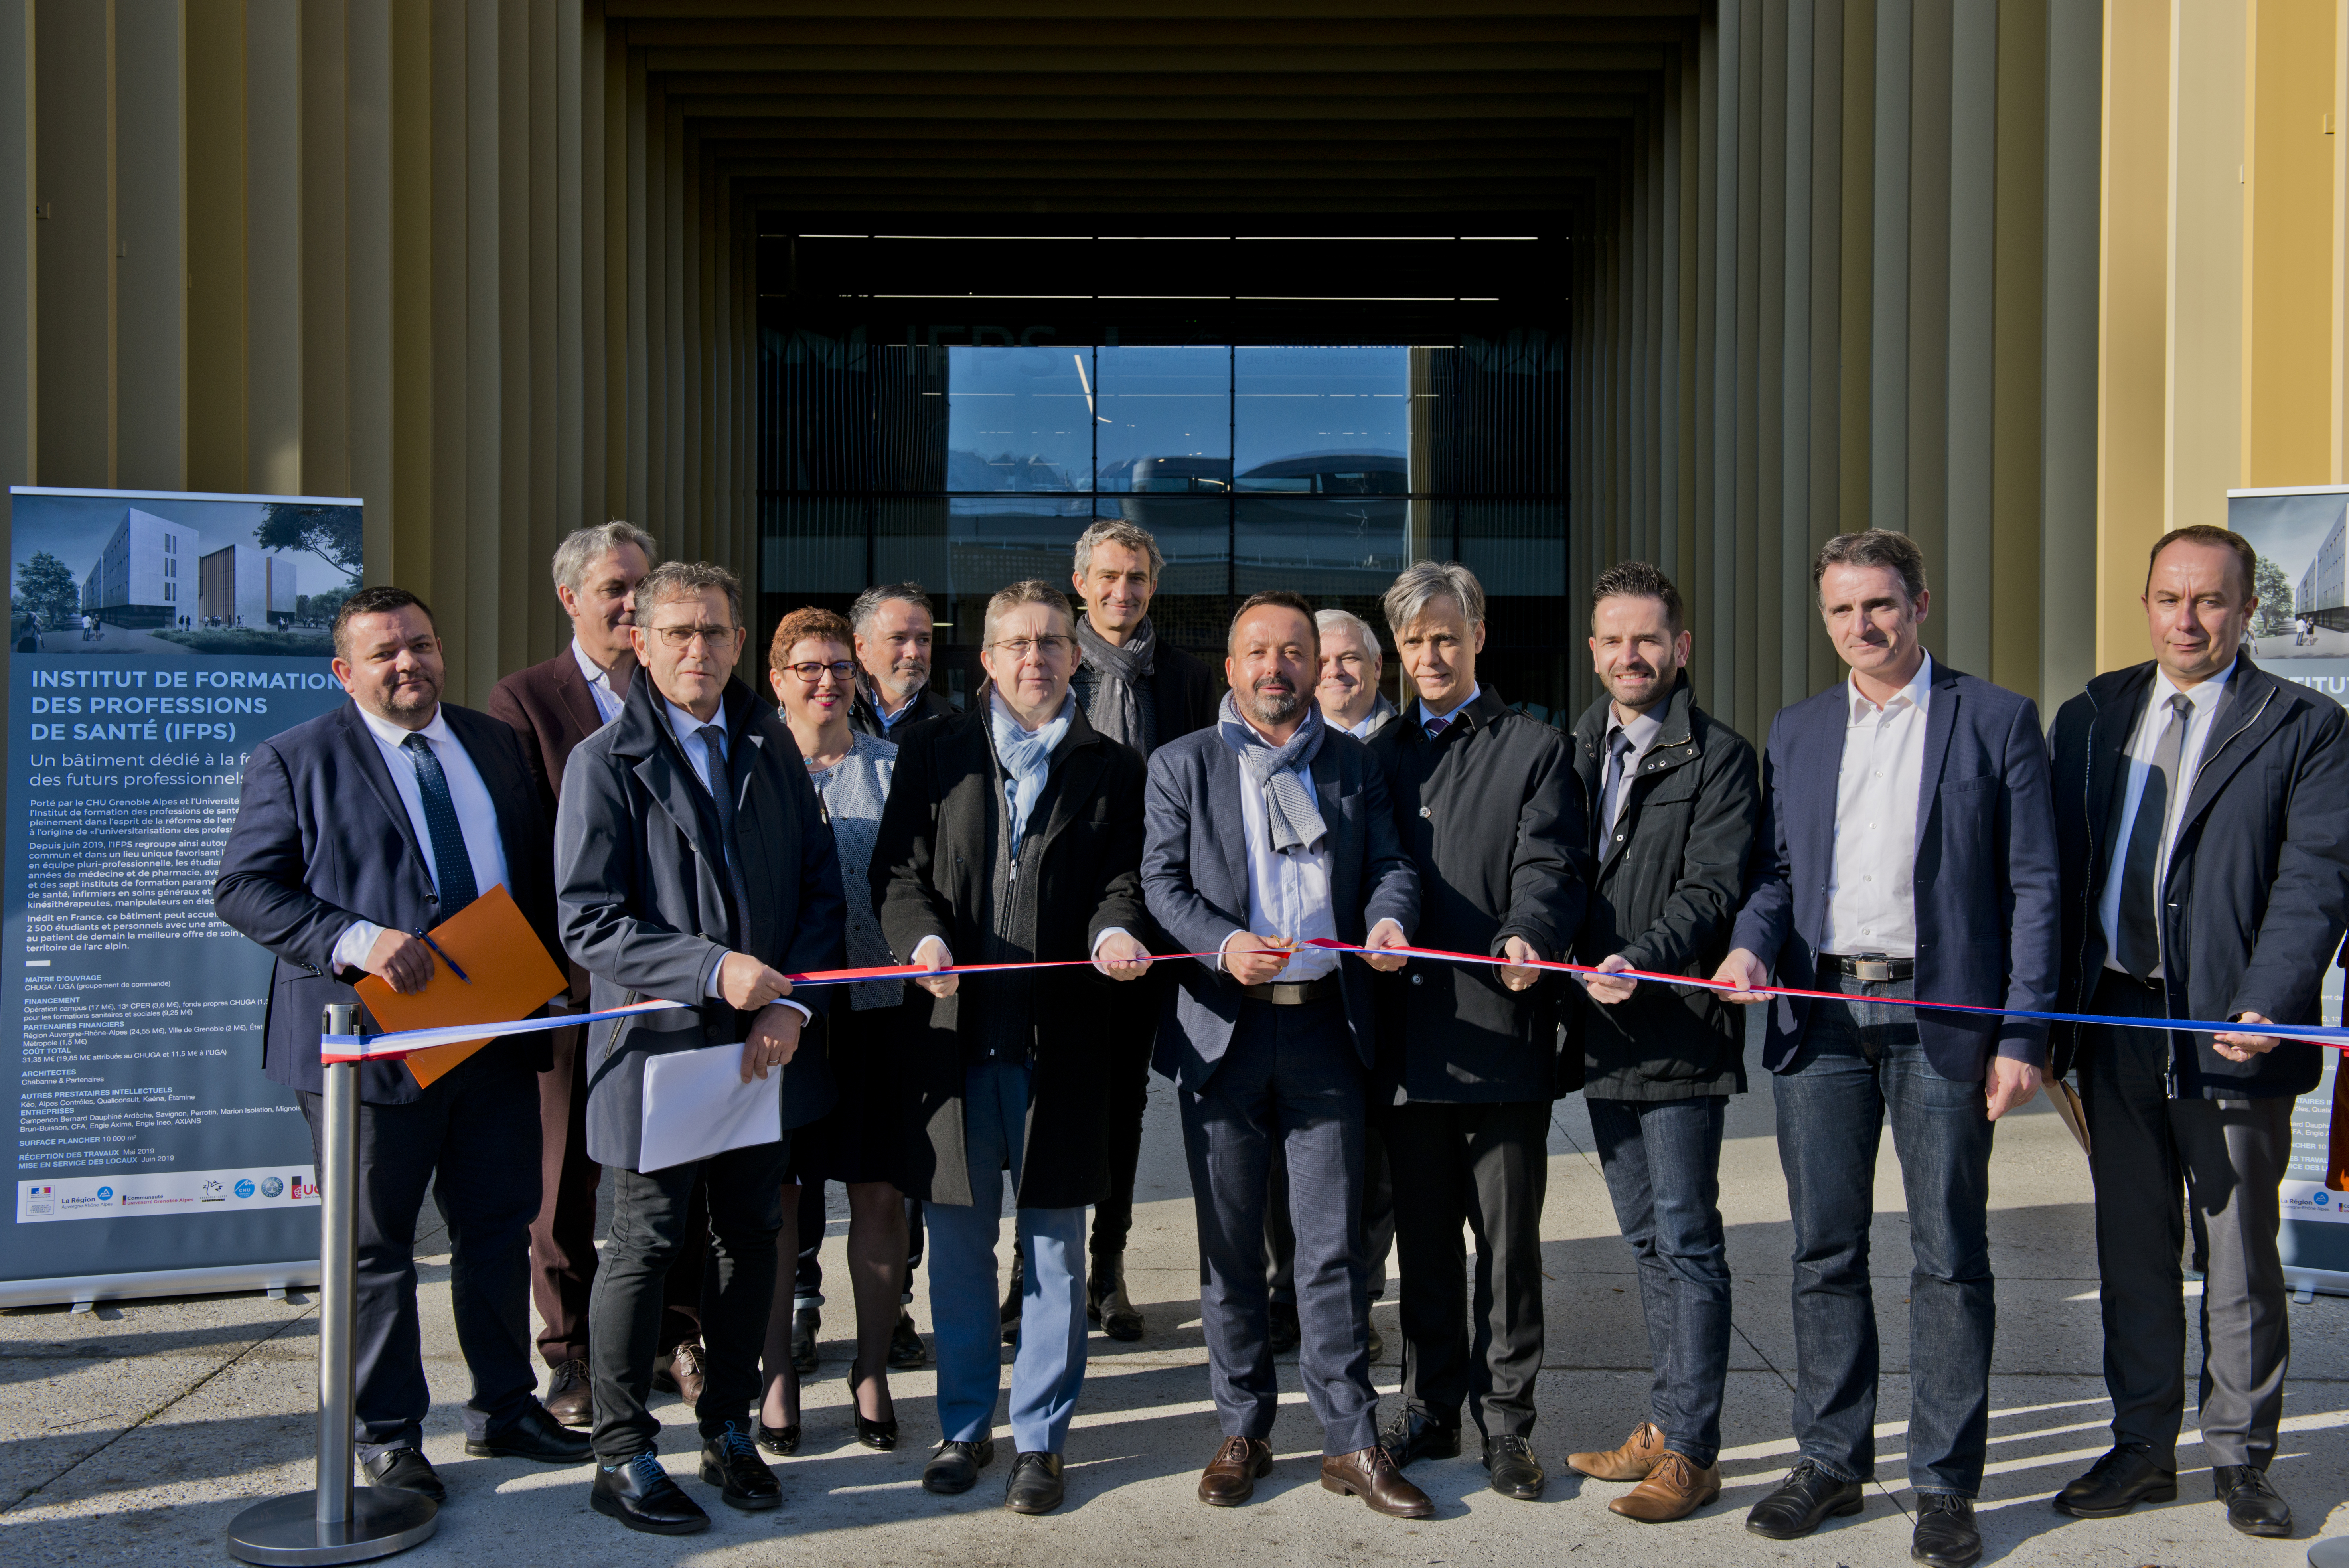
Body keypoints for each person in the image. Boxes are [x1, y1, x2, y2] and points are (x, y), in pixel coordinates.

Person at [1714, 529, 2058, 1568]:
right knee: (1825, 1250)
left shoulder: (1996, 721)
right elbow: (1780, 874)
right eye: (1840, 611)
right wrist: (1746, 944)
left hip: (1940, 1020)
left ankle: (1947, 1486)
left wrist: (2024, 1033)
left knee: (1949, 1256)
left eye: (1879, 606)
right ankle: (1831, 1458)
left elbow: (2037, 888)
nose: (1860, 627)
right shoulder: (1801, 729)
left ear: (1919, 604)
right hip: (1820, 1014)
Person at [213, 585, 592, 1504]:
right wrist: (358, 939)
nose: (408, 664)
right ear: (344, 672)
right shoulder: (296, 759)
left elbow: (538, 870)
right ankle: (389, 1436)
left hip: (494, 1034)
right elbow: (245, 888)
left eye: (420, 644)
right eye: (384, 653)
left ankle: (506, 1409)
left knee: (498, 1229)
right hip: (370, 1049)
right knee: (376, 1248)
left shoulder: (496, 744)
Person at [2045, 525, 2349, 1539]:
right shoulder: (2093, 714)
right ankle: (2141, 1446)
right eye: (2169, 598)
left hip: (2232, 1027)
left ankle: (2241, 1455)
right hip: (2113, 1018)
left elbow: (2315, 881)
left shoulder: (2303, 724)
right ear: (2145, 603)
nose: (2187, 619)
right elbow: (2060, 871)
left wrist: (2268, 997)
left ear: (2245, 609)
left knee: (2237, 1250)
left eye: (2210, 600)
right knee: (2132, 1246)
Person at [555, 561, 847, 1535]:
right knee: (641, 1248)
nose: (698, 649)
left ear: (735, 640)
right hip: (657, 1054)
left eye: (715, 632)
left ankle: (727, 1427)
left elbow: (818, 892)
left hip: (758, 1052)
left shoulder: (767, 744)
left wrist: (789, 1007)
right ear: (639, 640)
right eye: (677, 631)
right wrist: (711, 967)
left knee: (750, 1240)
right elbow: (588, 923)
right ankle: (622, 1452)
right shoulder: (605, 761)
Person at [1142, 589, 1432, 1519]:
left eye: (1293, 652)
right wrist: (1222, 943)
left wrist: (1389, 916)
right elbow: (1162, 878)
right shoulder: (1182, 763)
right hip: (1223, 1029)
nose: (1276, 668)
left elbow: (1392, 861)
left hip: (1324, 1031)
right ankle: (1243, 1426)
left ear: (1315, 665)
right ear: (1230, 668)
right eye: (1257, 652)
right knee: (1229, 1248)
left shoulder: (1352, 764)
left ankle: (1349, 1438)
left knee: (1332, 1246)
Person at [872, 579, 1156, 1515]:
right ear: (986, 659)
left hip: (1061, 1048)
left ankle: (1040, 1437)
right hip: (951, 1048)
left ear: (1074, 657)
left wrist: (1119, 930)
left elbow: (1125, 880)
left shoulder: (1111, 766)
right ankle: (963, 1424)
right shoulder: (932, 753)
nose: (1035, 658)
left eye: (1051, 642)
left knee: (1054, 1259)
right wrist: (920, 941)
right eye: (1016, 643)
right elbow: (898, 873)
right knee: (956, 1254)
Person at [1368, 561, 1583, 1504]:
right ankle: (1429, 1405)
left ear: (1480, 636)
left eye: (1446, 636)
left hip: (1502, 1032)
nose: (1430, 655)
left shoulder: (1536, 747)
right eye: (1413, 641)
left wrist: (1527, 931)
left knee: (1506, 1246)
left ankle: (1508, 1422)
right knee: (1421, 1241)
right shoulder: (1377, 755)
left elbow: (1550, 863)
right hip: (1409, 1039)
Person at [1562, 561, 1759, 1522]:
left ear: (1680, 648)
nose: (1629, 655)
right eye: (1613, 639)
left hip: (1678, 1028)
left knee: (1687, 1239)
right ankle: (1664, 1416)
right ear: (1593, 650)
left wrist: (1641, 955)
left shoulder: (1719, 756)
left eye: (1647, 638)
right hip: (1603, 1033)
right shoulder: (1574, 747)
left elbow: (1714, 886)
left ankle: (1693, 1448)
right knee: (1644, 1238)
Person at [488, 521, 671, 1429]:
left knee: (678, 1161)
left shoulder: (689, 686)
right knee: (563, 1184)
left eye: (644, 582)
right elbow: (521, 856)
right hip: (572, 987)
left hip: (678, 981)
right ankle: (572, 1356)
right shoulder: (525, 703)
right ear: (571, 599)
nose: (633, 601)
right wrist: (549, 978)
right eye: (614, 587)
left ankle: (675, 1331)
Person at [1053, 517, 1217, 1343]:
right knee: (1051, 1102)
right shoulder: (1045, 665)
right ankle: (1035, 1275)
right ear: (1080, 582)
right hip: (1052, 930)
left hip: (1151, 927)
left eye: (1138, 579)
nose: (1123, 593)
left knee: (1122, 1105)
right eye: (1108, 577)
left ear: (1155, 586)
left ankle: (1108, 1267)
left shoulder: (1187, 683)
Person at [756, 608, 912, 1459]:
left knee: (879, 1194)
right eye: (806, 667)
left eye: (839, 666)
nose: (826, 680)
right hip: (778, 1019)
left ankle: (872, 1369)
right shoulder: (749, 768)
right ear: (776, 679)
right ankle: (777, 1372)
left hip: (879, 1016)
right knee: (779, 1200)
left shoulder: (895, 769)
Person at [849, 582, 955, 737]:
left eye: (924, 640)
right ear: (861, 647)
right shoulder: (829, 716)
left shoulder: (951, 726)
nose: (913, 653)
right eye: (898, 638)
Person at [1315, 608, 1398, 738]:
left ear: (1376, 667)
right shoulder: (1278, 747)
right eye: (1322, 662)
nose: (1335, 671)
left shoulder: (1415, 744)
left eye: (1349, 658)